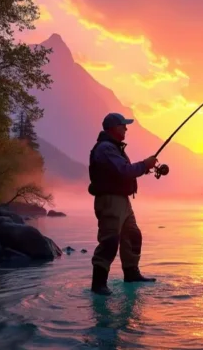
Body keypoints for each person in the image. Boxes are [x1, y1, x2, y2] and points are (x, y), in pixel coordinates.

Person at [87, 112, 158, 296]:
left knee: (133, 235)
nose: (126, 128)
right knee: (110, 240)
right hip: (110, 201)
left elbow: (123, 171)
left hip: (123, 201)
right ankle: (99, 284)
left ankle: (131, 273)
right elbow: (124, 170)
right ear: (113, 128)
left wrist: (145, 166)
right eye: (123, 125)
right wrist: (145, 165)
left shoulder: (114, 148)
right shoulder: (105, 149)